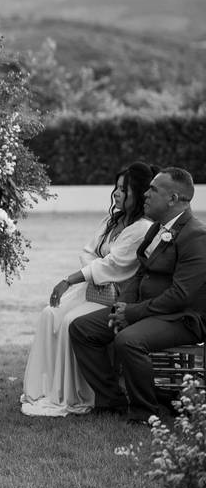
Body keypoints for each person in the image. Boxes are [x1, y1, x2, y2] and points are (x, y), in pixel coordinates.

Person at [70, 167, 206, 424]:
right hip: (146, 310)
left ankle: (145, 412)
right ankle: (112, 400)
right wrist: (123, 306)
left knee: (128, 340)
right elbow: (141, 273)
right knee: (82, 328)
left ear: (173, 199)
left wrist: (131, 314)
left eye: (153, 190)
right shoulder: (156, 229)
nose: (145, 194)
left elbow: (181, 295)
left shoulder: (196, 235)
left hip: (182, 318)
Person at [21, 162, 155, 417]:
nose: (117, 193)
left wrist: (74, 278)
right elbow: (88, 252)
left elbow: (115, 265)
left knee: (72, 320)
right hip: (93, 287)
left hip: (116, 295)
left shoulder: (141, 229)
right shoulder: (112, 220)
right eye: (116, 187)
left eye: (124, 190)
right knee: (51, 313)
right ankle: (51, 389)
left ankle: (82, 393)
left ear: (138, 193)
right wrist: (95, 271)